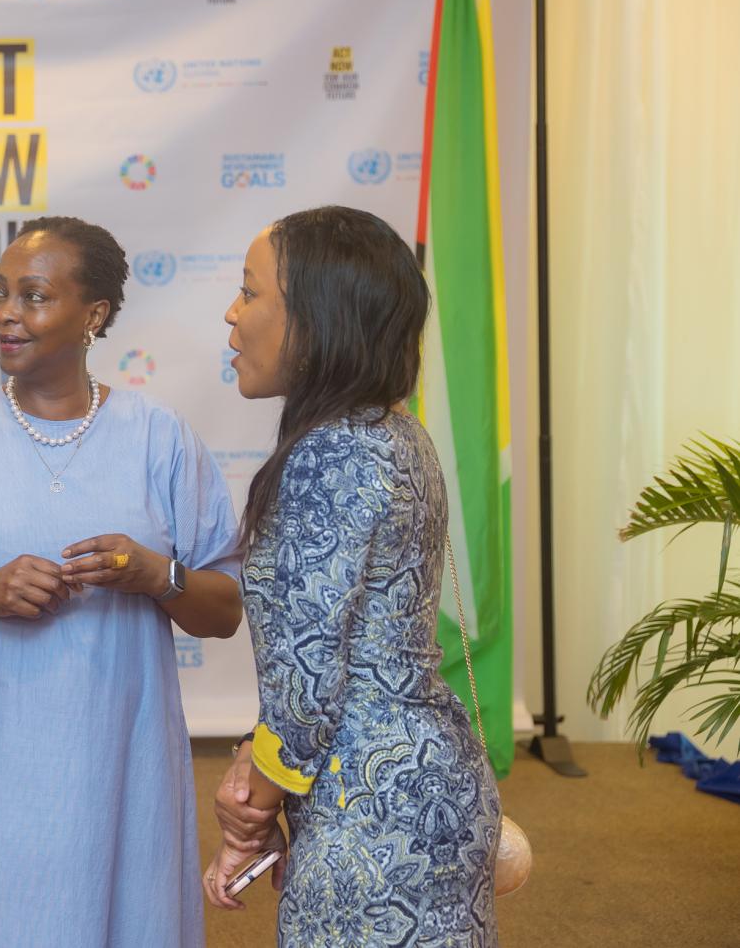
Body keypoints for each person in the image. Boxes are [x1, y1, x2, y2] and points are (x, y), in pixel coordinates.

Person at [0, 217, 244, 947]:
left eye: (33, 295)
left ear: (93, 315)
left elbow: (223, 610)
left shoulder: (161, 440)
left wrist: (158, 574)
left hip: (119, 769)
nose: (6, 312)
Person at [204, 206, 499, 945]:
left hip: (372, 809)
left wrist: (253, 809)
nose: (232, 314)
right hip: (424, 785)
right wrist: (258, 757)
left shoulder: (328, 456)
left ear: (315, 319)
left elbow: (307, 687)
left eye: (251, 292)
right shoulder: (395, 430)